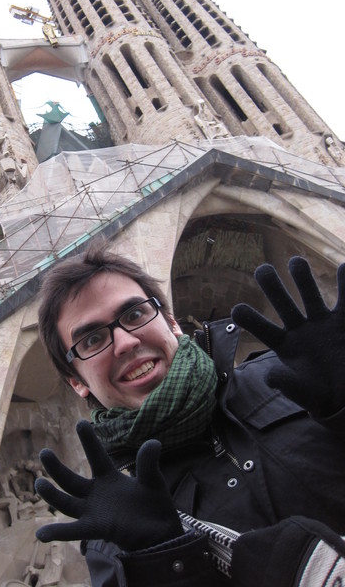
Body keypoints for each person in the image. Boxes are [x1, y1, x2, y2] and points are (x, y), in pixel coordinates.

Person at [34, 243, 345, 586]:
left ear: (171, 322)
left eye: (135, 314)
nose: (125, 342)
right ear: (77, 382)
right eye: (92, 340)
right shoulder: (114, 539)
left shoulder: (286, 377)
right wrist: (164, 561)